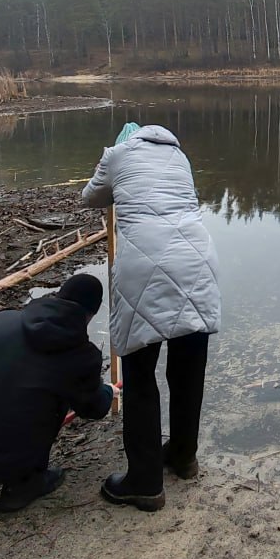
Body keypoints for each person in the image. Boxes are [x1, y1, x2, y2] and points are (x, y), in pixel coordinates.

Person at [79, 123, 221, 512]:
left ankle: (144, 482)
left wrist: (108, 173)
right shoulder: (181, 156)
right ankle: (183, 456)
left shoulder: (117, 154)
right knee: (189, 369)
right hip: (198, 260)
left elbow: (89, 197)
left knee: (140, 375)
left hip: (144, 264)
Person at [0, 272, 114, 515]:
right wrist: (107, 391)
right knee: (51, 398)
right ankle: (24, 484)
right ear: (90, 315)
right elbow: (94, 408)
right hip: (14, 463)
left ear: (57, 297)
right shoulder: (82, 355)